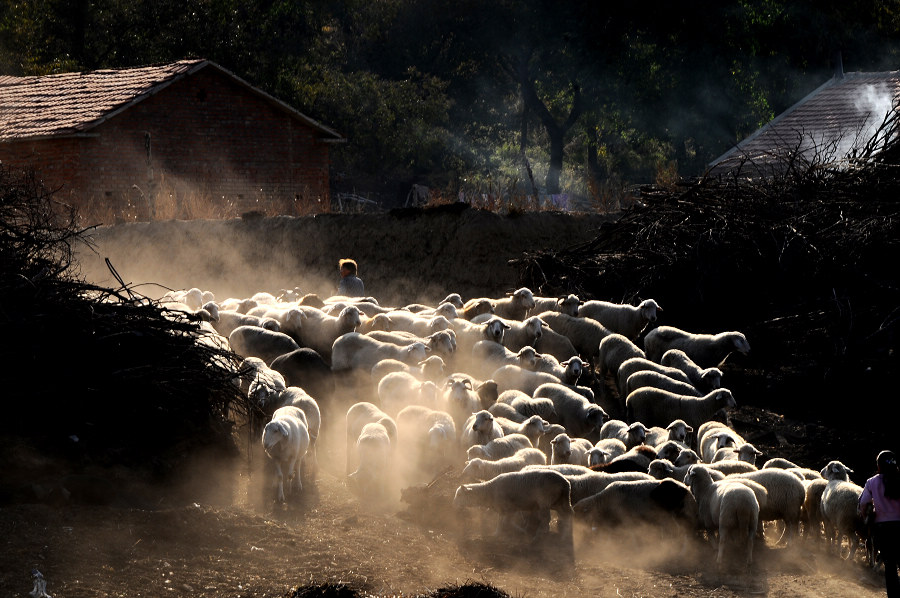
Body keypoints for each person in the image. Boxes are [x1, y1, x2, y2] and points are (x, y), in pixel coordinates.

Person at [859, 450, 900, 597]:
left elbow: (864, 503)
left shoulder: (872, 482)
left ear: (879, 466)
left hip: (884, 529)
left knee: (890, 566)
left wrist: (867, 518)